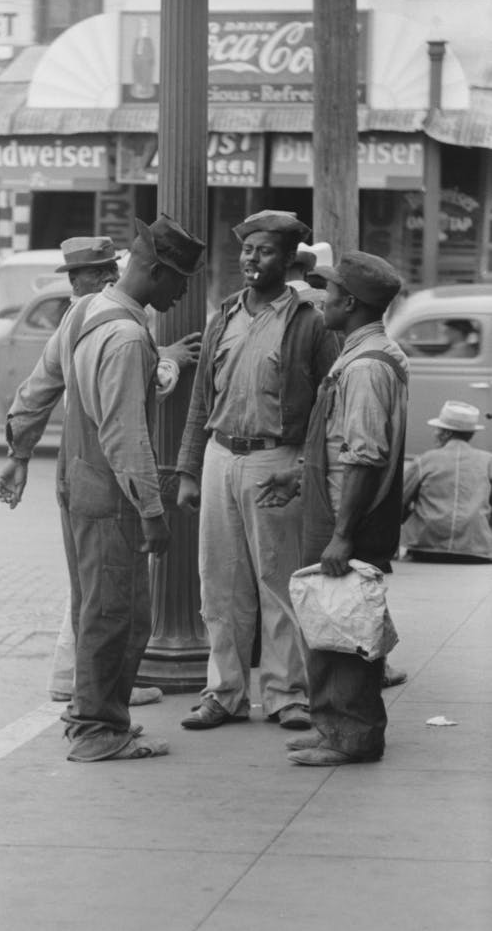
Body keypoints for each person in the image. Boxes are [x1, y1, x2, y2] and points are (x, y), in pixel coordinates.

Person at [0, 215, 205, 761]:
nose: (183, 291)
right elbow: (125, 434)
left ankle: (93, 716)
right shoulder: (128, 336)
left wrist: (18, 454)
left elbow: (36, 388)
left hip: (76, 481)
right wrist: (152, 512)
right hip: (111, 493)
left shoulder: (83, 312)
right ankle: (98, 731)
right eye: (181, 279)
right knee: (118, 613)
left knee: (98, 608)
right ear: (156, 272)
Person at [176, 210, 340, 732]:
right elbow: (202, 400)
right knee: (219, 584)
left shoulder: (310, 322)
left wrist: (306, 472)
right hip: (222, 456)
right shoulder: (223, 315)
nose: (251, 259)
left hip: (277, 459)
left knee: (278, 581)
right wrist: (187, 470)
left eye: (264, 251)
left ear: (288, 260)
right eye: (247, 250)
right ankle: (224, 693)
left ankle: (285, 694)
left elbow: (325, 408)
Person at [257, 251, 409, 767]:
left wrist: (343, 533)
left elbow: (365, 456)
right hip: (337, 504)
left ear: (349, 302)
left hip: (349, 513)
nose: (322, 298)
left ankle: (352, 735)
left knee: (346, 624)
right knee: (327, 615)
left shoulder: (366, 367)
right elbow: (343, 444)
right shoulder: (359, 355)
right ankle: (333, 725)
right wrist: (299, 475)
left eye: (330, 292)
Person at [402, 400, 492, 563]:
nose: (434, 433)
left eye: (437, 429)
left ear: (446, 433)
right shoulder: (487, 461)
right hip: (476, 550)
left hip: (426, 548)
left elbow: (400, 501)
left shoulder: (425, 460)